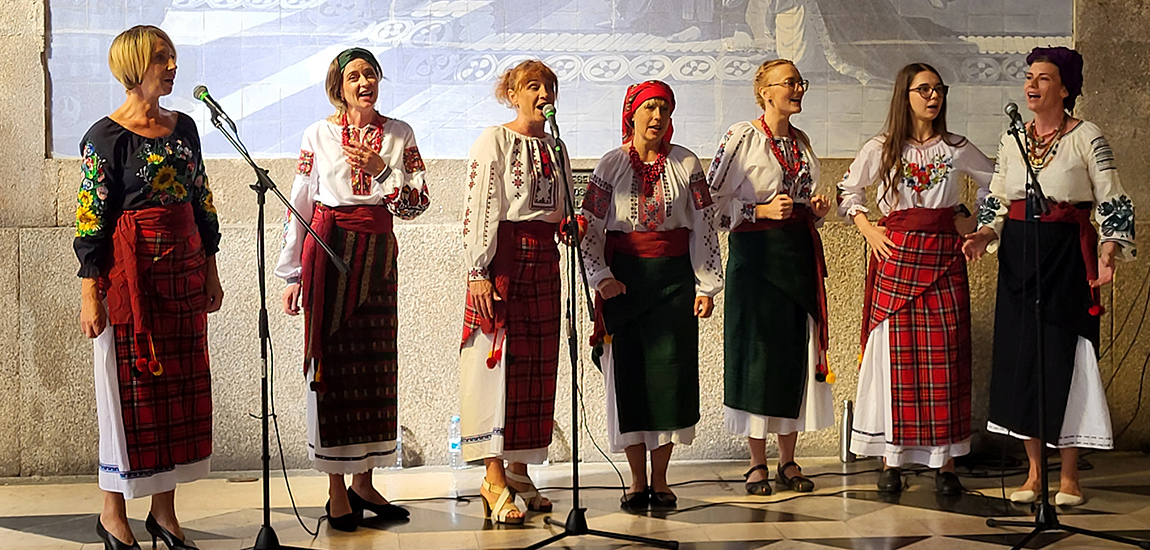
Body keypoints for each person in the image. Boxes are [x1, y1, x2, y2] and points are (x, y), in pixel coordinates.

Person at [964, 47, 1134, 507]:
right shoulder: (1011, 138)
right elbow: (997, 196)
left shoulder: (1087, 136)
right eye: (1029, 76)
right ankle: (1034, 474)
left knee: (1066, 356)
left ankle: (1071, 476)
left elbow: (1113, 198)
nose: (1032, 85)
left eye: (1044, 77)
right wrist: (984, 233)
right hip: (1019, 254)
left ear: (1065, 88)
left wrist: (1109, 248)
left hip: (1066, 254)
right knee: (1023, 358)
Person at [76, 25, 223, 550]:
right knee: (129, 392)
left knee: (177, 389)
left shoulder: (184, 127)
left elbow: (201, 196)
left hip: (182, 268)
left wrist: (210, 268)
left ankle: (165, 515)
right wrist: (91, 292)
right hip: (130, 276)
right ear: (135, 66)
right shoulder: (105, 137)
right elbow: (91, 218)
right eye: (162, 58)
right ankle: (112, 513)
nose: (172, 66)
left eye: (173, 57)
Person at [275, 47, 430, 531]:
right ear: (337, 86)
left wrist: (383, 170)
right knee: (333, 368)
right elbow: (300, 202)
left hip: (379, 256)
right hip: (330, 249)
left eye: (370, 74)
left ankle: (364, 481)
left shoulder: (399, 133)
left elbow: (417, 202)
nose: (364, 82)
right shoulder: (317, 134)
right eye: (353, 76)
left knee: (375, 369)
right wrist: (293, 272)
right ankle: (336, 490)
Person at [838, 63, 993, 495]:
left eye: (938, 89)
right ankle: (891, 459)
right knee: (895, 357)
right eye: (923, 89)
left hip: (943, 257)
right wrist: (869, 230)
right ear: (904, 95)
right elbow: (847, 192)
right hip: (897, 256)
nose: (932, 96)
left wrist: (971, 219)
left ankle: (946, 464)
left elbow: (996, 185)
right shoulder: (881, 148)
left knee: (944, 358)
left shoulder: (956, 147)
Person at [582, 80, 722, 509]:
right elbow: (589, 226)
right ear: (631, 114)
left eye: (663, 108)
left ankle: (661, 480)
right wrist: (601, 276)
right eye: (649, 108)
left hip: (675, 281)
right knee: (629, 379)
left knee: (670, 379)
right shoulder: (611, 166)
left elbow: (704, 223)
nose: (656, 117)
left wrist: (707, 283)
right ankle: (636, 480)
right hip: (625, 281)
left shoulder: (686, 164)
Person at [707, 58, 834, 496]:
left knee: (791, 353)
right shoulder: (743, 137)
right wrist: (756, 210)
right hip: (756, 261)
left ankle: (788, 460)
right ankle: (756, 463)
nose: (798, 89)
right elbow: (709, 206)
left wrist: (813, 211)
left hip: (795, 254)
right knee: (756, 355)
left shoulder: (801, 142)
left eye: (801, 81)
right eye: (790, 83)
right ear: (765, 92)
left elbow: (799, 202)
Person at [458, 60, 574, 524]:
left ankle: (521, 468)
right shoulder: (496, 140)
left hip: (544, 260)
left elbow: (558, 206)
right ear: (511, 93)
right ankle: (492, 475)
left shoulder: (557, 147)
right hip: (502, 261)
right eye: (532, 86)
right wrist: (478, 269)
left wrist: (569, 223)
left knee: (536, 363)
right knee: (496, 362)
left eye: (548, 86)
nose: (542, 94)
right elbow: (481, 204)